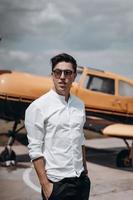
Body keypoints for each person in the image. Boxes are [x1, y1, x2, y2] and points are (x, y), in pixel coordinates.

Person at [25, 53, 91, 200]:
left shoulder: (79, 105)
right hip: (57, 185)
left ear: (74, 76)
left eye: (67, 72)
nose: (62, 77)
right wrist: (46, 187)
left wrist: (85, 170)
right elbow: (35, 150)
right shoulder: (37, 107)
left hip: (81, 181)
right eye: (57, 72)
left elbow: (80, 139)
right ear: (52, 75)